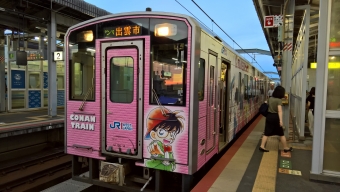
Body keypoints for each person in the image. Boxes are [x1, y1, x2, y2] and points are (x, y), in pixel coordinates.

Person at [259, 86, 293, 152]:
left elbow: (265, 103)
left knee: (266, 132)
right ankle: (285, 147)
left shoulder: (270, 98)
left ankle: (262, 146)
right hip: (275, 117)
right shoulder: (279, 100)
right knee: (281, 133)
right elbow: (280, 111)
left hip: (269, 116)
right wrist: (281, 121)